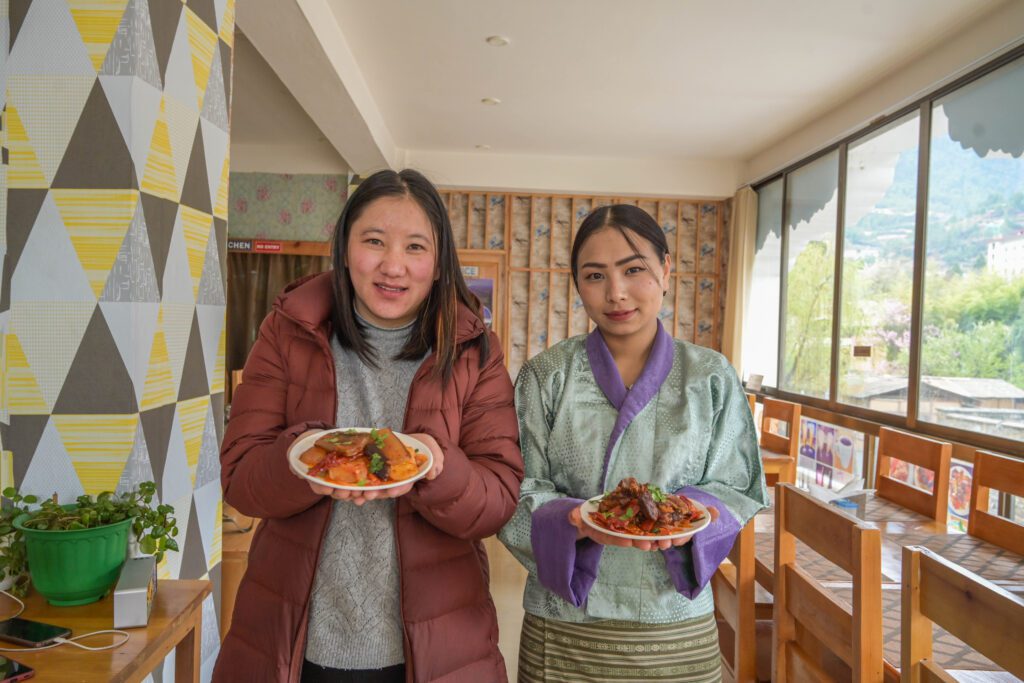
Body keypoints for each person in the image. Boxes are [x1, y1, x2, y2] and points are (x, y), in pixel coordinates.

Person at [214, 169, 524, 683]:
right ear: (343, 247)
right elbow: (241, 476)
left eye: (416, 247)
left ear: (440, 261)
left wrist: (439, 467)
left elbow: (498, 498)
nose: (393, 266)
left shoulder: (475, 351)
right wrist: (300, 460)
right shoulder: (287, 331)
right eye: (374, 241)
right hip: (293, 640)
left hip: (439, 647)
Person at [498, 204, 767, 683]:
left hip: (673, 621)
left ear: (665, 270)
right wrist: (572, 519)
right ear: (577, 284)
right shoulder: (546, 376)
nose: (616, 293)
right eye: (595, 275)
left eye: (634, 269)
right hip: (566, 625)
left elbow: (737, 485)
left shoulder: (710, 376)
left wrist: (683, 517)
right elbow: (511, 488)